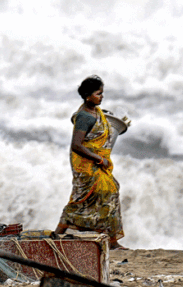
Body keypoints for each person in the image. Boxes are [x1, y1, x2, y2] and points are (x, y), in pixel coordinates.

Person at [54, 75, 128, 250]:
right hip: (85, 165)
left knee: (111, 190)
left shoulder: (97, 112)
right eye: (98, 93)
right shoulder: (84, 117)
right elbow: (76, 145)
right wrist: (99, 158)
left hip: (95, 162)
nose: (101, 97)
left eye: (102, 93)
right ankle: (59, 232)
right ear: (88, 96)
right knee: (82, 199)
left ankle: (111, 240)